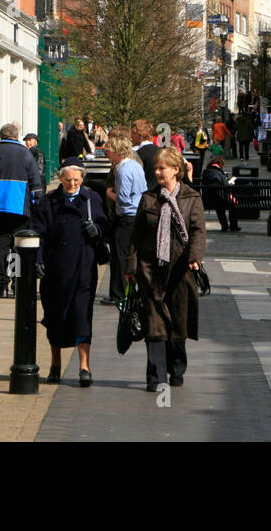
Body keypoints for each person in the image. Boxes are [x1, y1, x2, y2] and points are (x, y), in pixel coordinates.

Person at [124, 147, 206, 391]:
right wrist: (131, 265)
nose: (158, 172)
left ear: (176, 170)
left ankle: (177, 368)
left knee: (178, 322)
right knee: (155, 323)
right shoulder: (148, 198)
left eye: (162, 168)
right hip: (151, 268)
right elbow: (136, 235)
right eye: (156, 168)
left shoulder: (192, 198)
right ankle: (156, 376)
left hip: (181, 270)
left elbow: (198, 231)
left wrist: (195, 257)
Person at [30, 159, 109, 387]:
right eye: (67, 180)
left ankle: (84, 366)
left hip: (84, 267)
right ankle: (55, 365)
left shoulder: (91, 199)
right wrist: (38, 259)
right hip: (55, 270)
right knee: (55, 317)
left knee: (82, 316)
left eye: (76, 180)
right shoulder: (49, 201)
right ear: (61, 179)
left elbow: (106, 226)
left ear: (82, 178)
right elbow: (38, 232)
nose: (72, 184)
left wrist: (98, 230)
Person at [0, 122, 43, 298]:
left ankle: (2, 286)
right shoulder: (25, 153)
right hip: (19, 209)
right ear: (16, 136)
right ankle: (16, 283)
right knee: (17, 249)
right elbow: (35, 181)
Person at [103, 133, 144, 305]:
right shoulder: (136, 166)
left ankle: (118, 294)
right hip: (137, 215)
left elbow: (123, 198)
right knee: (131, 255)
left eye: (109, 151)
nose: (107, 154)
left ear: (117, 152)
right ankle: (129, 292)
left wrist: (109, 193)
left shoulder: (123, 170)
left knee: (120, 257)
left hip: (127, 216)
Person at [201, 152, 237, 232]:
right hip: (220, 200)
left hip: (207, 200)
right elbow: (226, 186)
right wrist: (231, 183)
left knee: (219, 206)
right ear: (220, 164)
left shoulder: (206, 172)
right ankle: (233, 226)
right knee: (231, 205)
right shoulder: (219, 173)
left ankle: (224, 225)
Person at [132, 119, 160, 192]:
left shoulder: (137, 154)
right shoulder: (161, 152)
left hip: (145, 196)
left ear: (141, 135)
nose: (131, 136)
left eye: (134, 133)